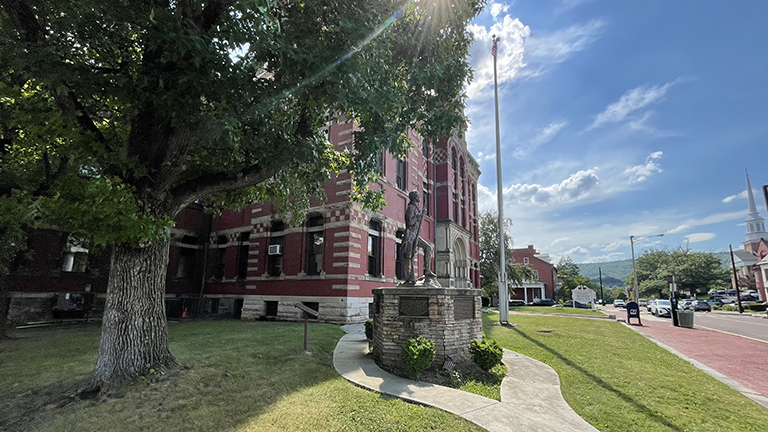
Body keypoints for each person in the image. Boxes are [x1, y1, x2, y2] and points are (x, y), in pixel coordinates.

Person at [401, 191, 435, 284]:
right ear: (415, 197)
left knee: (428, 247)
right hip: (410, 236)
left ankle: (427, 271)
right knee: (408, 256)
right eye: (418, 195)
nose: (420, 197)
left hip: (415, 234)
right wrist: (420, 216)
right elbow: (410, 222)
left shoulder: (416, 208)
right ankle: (407, 277)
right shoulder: (411, 208)